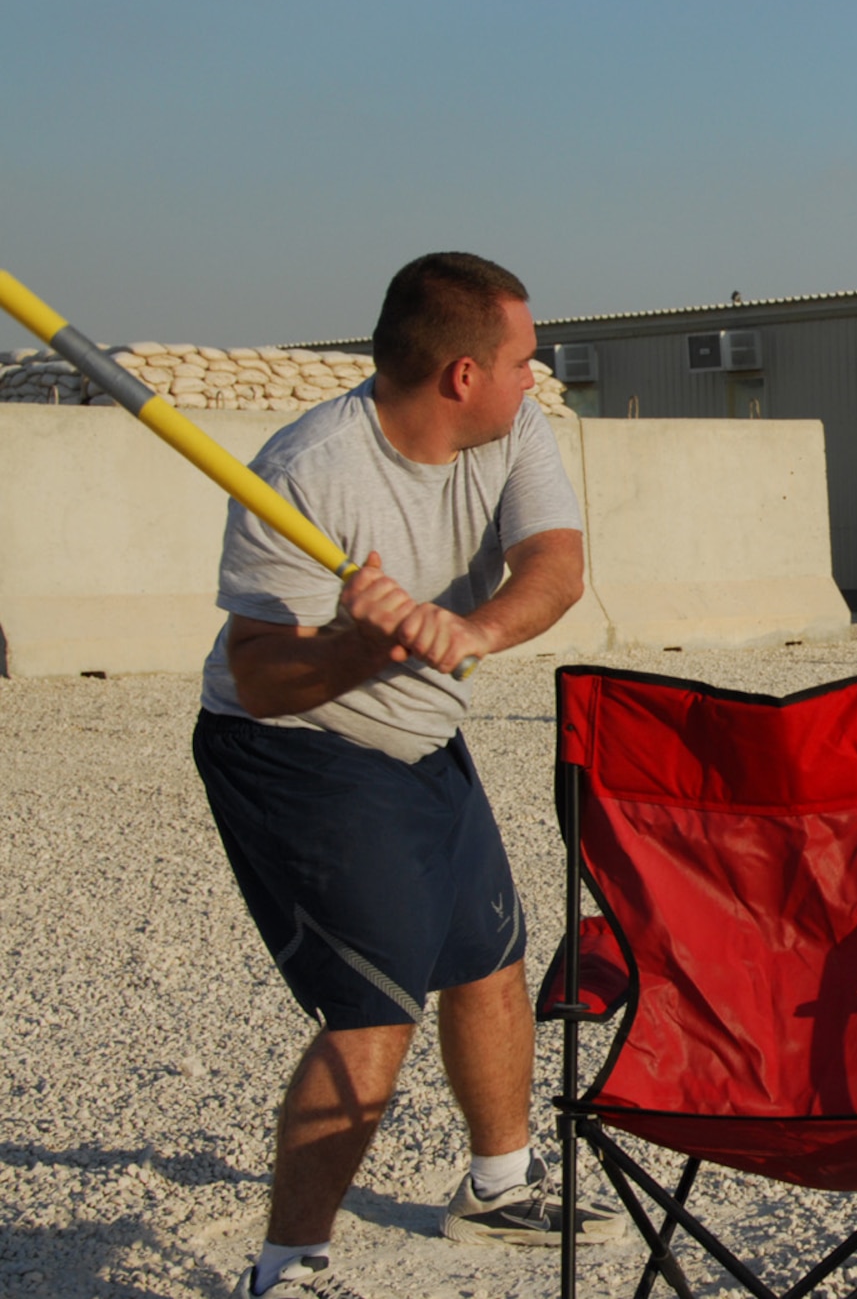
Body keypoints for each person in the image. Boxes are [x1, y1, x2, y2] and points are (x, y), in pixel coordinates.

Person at [191, 253, 620, 1299]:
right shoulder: (309, 469)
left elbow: (556, 565)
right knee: (375, 1006)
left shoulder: (513, 426)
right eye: (523, 357)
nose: (538, 373)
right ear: (461, 374)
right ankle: (288, 1263)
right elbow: (260, 670)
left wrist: (463, 630)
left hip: (425, 732)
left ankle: (498, 1184)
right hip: (296, 747)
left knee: (486, 954)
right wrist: (361, 649)